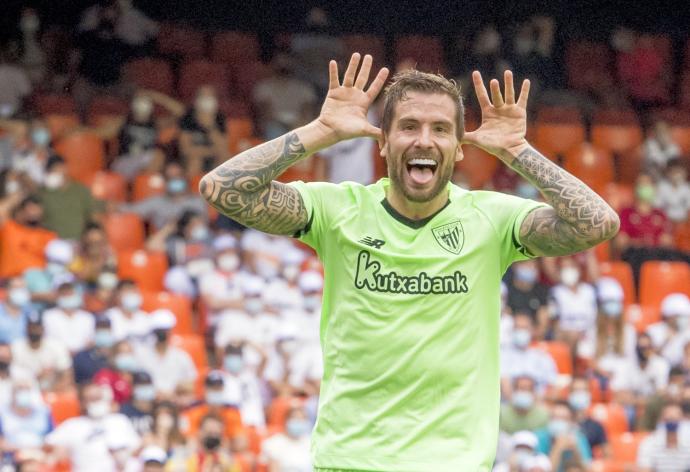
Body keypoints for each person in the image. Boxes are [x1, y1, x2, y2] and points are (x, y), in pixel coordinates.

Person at [199, 53, 620, 470]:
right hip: (352, 461)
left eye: (440, 129)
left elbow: (598, 223)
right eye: (408, 126)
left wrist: (518, 151)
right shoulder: (338, 208)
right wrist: (320, 131)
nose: (424, 140)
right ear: (382, 141)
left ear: (458, 148)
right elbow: (221, 188)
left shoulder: (492, 218)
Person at [45, 382, 140, 472]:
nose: (97, 402)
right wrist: (58, 452)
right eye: (92, 399)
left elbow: (136, 447)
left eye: (98, 398)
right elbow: (48, 445)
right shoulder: (73, 425)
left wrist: (122, 456)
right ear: (82, 402)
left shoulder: (119, 421)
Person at [120, 160, 207, 229]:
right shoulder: (156, 202)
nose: (175, 180)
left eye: (178, 176)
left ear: (185, 178)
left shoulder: (198, 201)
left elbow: (204, 228)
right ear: (165, 181)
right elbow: (131, 210)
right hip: (165, 246)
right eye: (170, 178)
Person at [38, 155, 104, 240]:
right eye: (53, 171)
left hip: (78, 240)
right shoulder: (43, 193)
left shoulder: (80, 190)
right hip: (53, 242)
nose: (58, 173)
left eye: (60, 169)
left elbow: (94, 214)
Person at [253, 53, 318, 140]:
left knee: (302, 134)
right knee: (275, 132)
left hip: (298, 124)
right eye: (280, 63)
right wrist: (283, 123)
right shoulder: (264, 87)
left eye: (286, 63)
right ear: (273, 65)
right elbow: (265, 113)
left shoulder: (304, 88)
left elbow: (307, 112)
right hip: (274, 123)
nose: (283, 66)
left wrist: (300, 124)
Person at [135, 309, 197, 397]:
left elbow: (190, 383)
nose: (162, 334)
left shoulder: (181, 356)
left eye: (165, 330)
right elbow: (136, 382)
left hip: (175, 399)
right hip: (149, 399)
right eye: (159, 331)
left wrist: (173, 392)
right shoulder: (141, 355)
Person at [500, 313, 558, 395]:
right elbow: (503, 383)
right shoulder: (502, 355)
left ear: (532, 330)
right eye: (518, 328)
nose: (521, 331)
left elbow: (552, 385)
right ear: (512, 330)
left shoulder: (542, 356)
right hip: (508, 404)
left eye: (524, 328)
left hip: (538, 403)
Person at [0, 195, 56, 278]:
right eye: (30, 209)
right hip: (9, 280)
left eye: (37, 209)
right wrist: (20, 195)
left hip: (38, 281)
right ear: (21, 211)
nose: (33, 213)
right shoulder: (9, 229)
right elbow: (2, 210)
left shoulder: (49, 235)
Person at [11, 316, 72, 392]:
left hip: (52, 389)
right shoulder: (17, 346)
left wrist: (50, 392)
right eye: (31, 328)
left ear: (43, 329)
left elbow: (67, 374)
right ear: (26, 329)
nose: (34, 331)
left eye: (37, 328)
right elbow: (12, 375)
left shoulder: (56, 346)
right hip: (24, 389)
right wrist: (36, 376)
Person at [178, 85, 229, 176]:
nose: (207, 100)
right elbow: (185, 149)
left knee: (225, 159)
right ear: (196, 100)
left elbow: (222, 148)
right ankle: (193, 187)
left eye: (210, 96)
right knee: (195, 160)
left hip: (213, 157)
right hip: (194, 158)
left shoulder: (220, 118)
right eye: (203, 96)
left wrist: (210, 126)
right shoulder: (187, 118)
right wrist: (210, 151)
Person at [166, 414, 240, 471]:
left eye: (216, 434)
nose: (213, 437)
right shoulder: (185, 455)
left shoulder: (226, 459)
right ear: (200, 432)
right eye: (209, 433)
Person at [0, 377, 53, 452]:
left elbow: (52, 439)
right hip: (11, 455)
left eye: (26, 389)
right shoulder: (2, 413)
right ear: (12, 392)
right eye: (20, 389)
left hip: (40, 454)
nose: (23, 392)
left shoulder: (43, 411)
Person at [534, 401, 592, 469]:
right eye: (554, 418)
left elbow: (587, 469)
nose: (558, 422)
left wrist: (576, 451)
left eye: (563, 419)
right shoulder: (539, 438)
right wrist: (558, 447)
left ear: (571, 422)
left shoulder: (578, 438)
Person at [42, 282, 95, 354]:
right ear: (58, 297)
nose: (68, 298)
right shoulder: (48, 316)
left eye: (70, 294)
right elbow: (48, 340)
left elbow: (90, 341)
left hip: (82, 356)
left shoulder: (87, 317)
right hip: (57, 355)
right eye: (64, 295)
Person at [637, 402, 690, 471]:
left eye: (675, 420)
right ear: (661, 421)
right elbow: (644, 468)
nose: (672, 424)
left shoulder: (688, 441)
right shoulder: (649, 442)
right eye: (668, 420)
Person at [259, 405, 312, 472]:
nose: (299, 422)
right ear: (286, 420)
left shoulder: (310, 442)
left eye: (303, 419)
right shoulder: (273, 444)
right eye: (296, 418)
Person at [506, 259, 550, 335]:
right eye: (526, 265)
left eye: (533, 265)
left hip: (533, 335)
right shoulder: (507, 290)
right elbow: (504, 315)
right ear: (515, 266)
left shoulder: (541, 291)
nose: (530, 267)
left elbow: (543, 323)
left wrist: (531, 332)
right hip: (509, 334)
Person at [567, 377, 608, 455]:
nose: (579, 394)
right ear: (570, 394)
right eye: (576, 390)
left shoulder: (596, 426)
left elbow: (607, 454)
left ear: (589, 394)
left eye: (583, 391)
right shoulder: (561, 422)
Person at [105, 279, 150, 344]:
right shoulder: (108, 317)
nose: (131, 294)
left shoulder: (145, 318)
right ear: (118, 295)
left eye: (134, 291)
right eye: (127, 291)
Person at [119, 371, 156, 437]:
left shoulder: (157, 408)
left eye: (147, 385)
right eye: (141, 385)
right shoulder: (124, 410)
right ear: (133, 388)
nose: (144, 388)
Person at [0, 276, 34, 343]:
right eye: (16, 288)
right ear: (7, 290)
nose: (20, 291)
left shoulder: (31, 311)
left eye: (23, 288)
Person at [655, 159, 690, 223]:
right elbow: (657, 206)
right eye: (673, 172)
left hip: (683, 221)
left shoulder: (687, 188)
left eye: (679, 172)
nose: (676, 175)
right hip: (666, 221)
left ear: (684, 173)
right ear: (668, 173)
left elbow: (688, 208)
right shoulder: (661, 186)